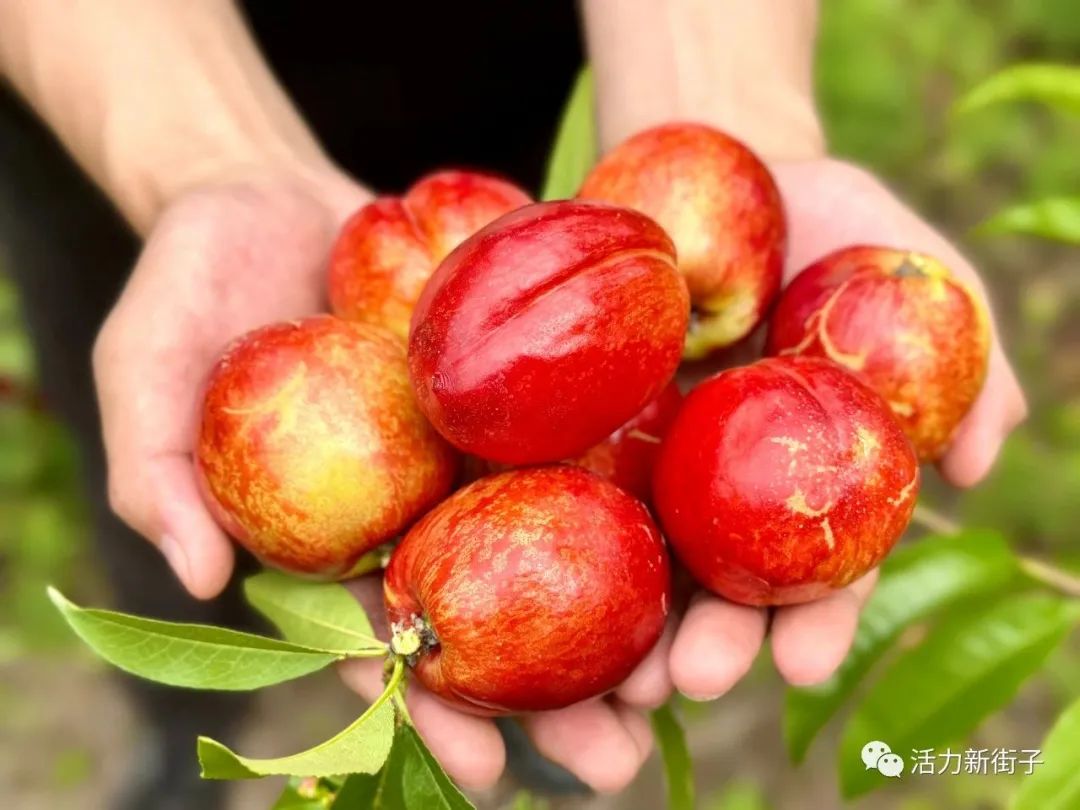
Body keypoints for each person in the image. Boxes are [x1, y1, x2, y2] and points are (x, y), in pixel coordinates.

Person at [0, 1, 1027, 806]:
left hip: (539, 98)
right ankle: (173, 742)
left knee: (525, 649)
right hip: (108, 73)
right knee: (164, 525)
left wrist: (726, 108)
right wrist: (205, 162)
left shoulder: (606, 292)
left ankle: (530, 766)